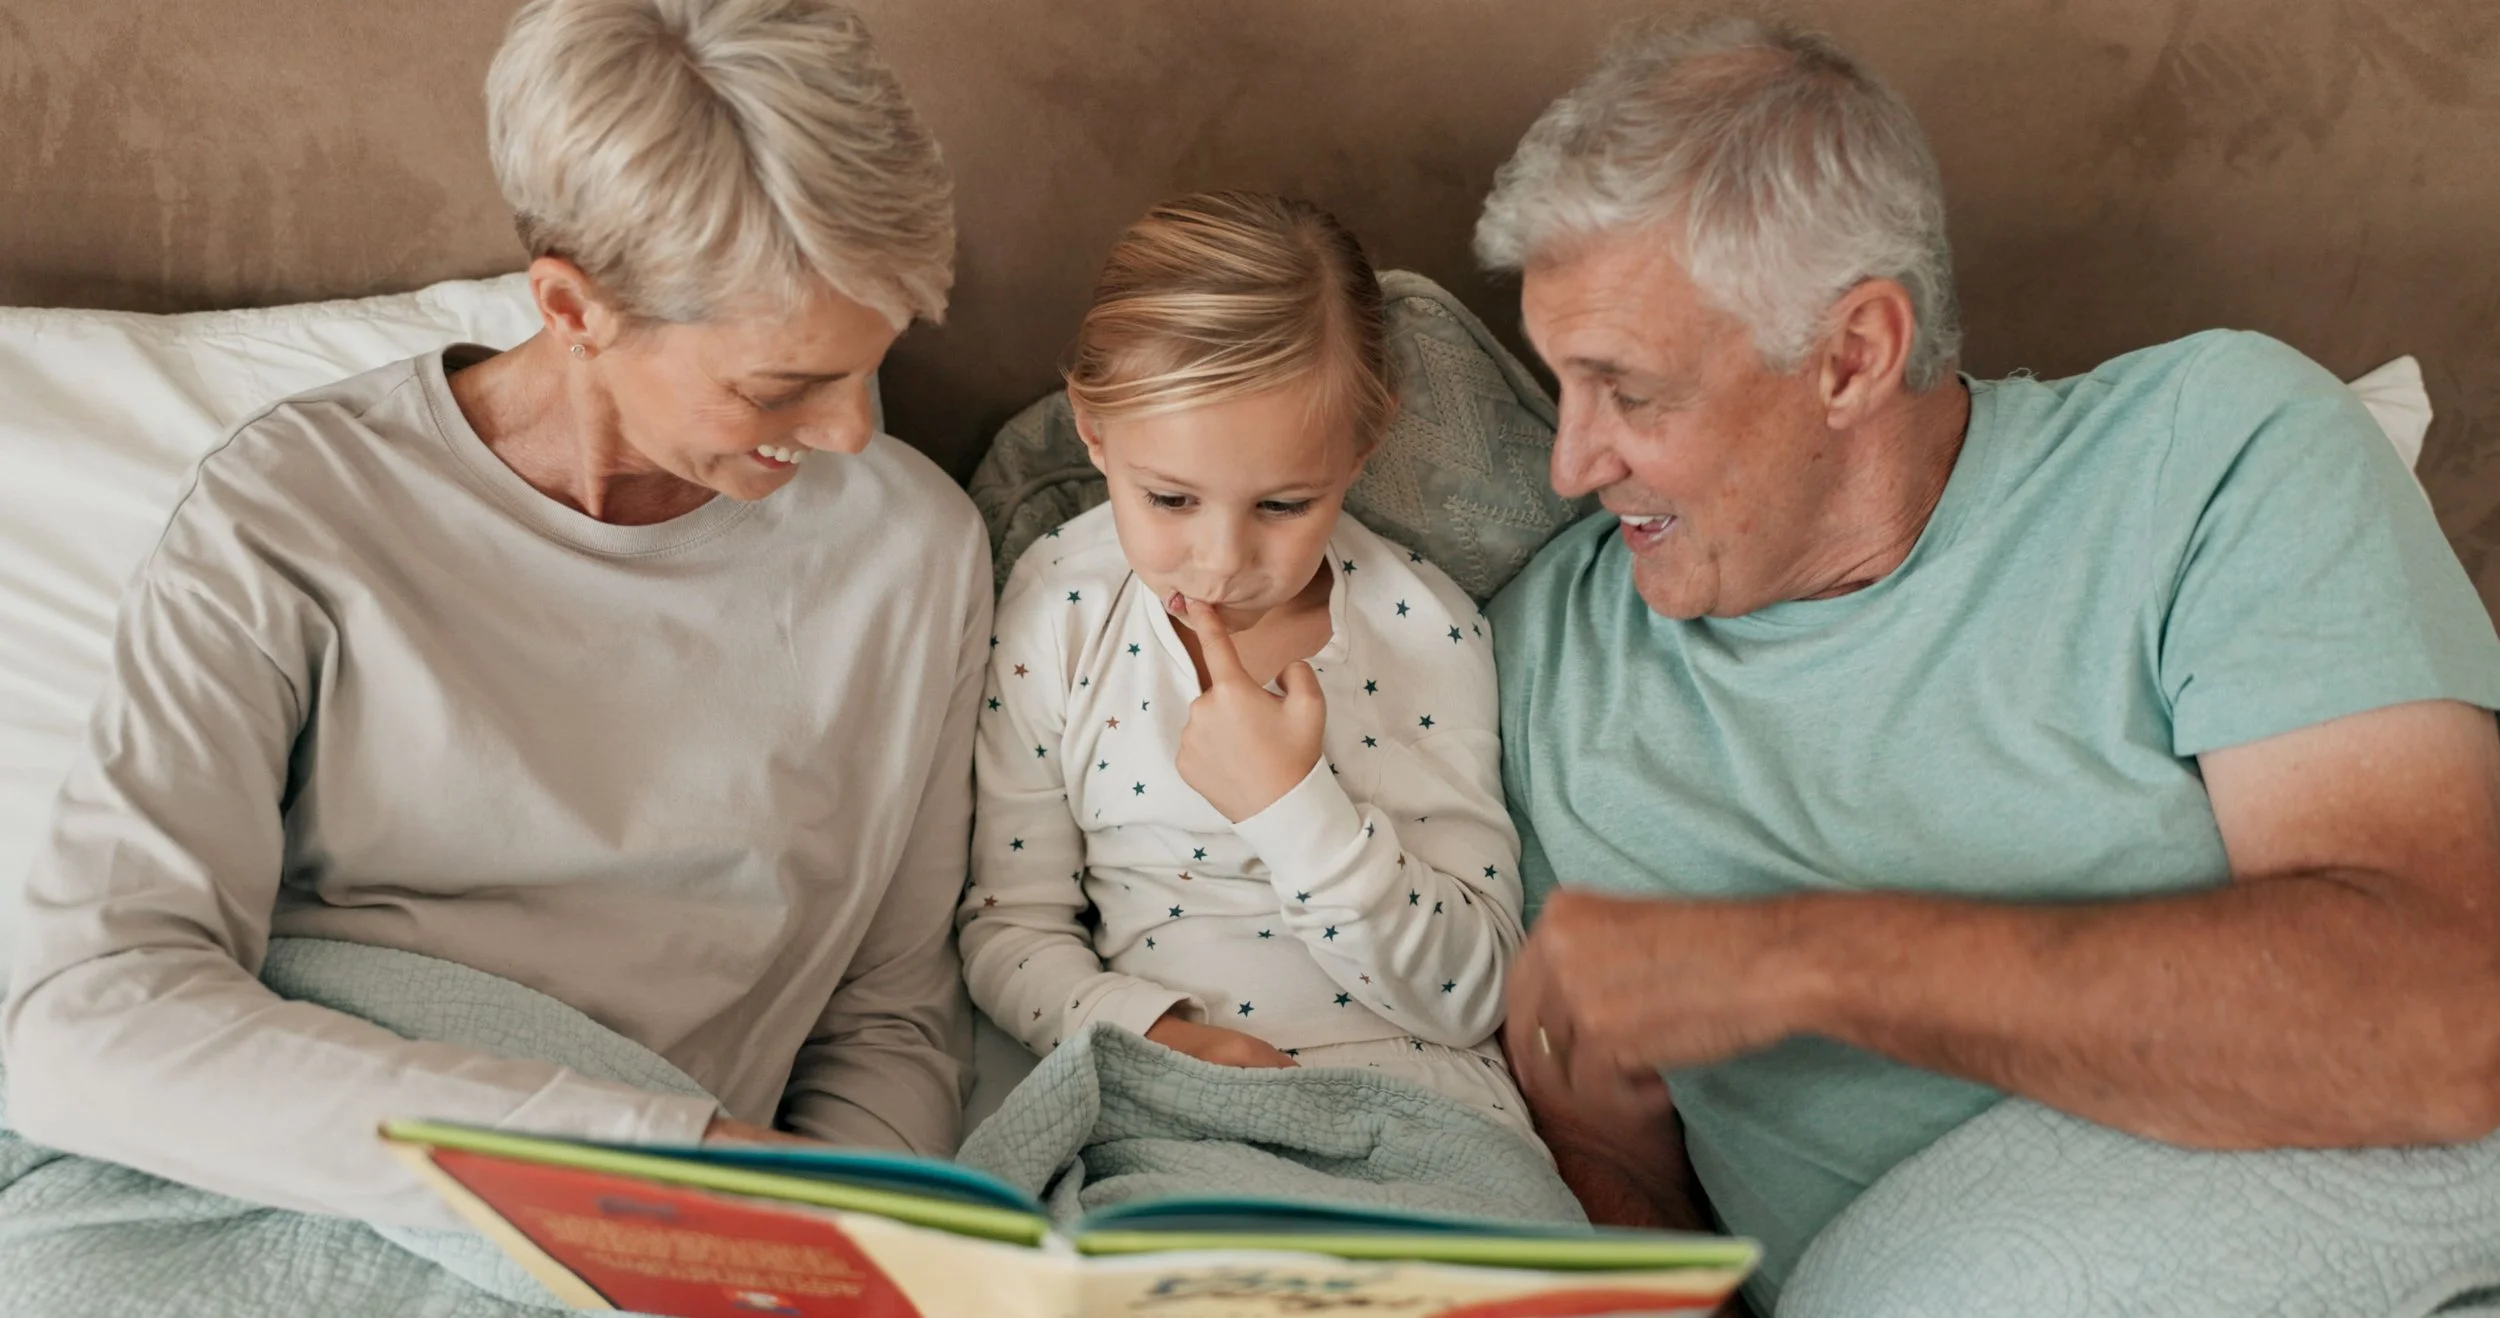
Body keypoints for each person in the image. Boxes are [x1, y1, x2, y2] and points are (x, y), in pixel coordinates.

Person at [1474, 13, 2500, 1311]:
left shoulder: (2209, 459)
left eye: (1629, 392)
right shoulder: (1538, 671)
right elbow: (1617, 1179)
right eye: (1557, 383)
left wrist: (1797, 961)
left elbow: (2434, 1021)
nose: (1572, 464)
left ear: (1853, 355)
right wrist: (1601, 1159)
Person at [3, 0, 987, 1229]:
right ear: (572, 308)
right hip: (323, 1182)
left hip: (681, 1249)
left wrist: (840, 1242)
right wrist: (646, 1168)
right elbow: (86, 1016)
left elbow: (887, 1016)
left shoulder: (913, 550)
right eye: (783, 385)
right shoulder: (295, 512)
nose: (852, 433)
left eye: (873, 359)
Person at [959, 192, 1537, 1140]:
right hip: (1164, 1101)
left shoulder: (1425, 631)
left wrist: (1294, 808)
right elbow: (1007, 927)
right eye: (1172, 498)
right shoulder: (1060, 608)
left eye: (1283, 506)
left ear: (1363, 445)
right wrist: (1149, 1035)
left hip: (1421, 1110)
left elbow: (1473, 992)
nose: (1222, 562)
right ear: (1095, 434)